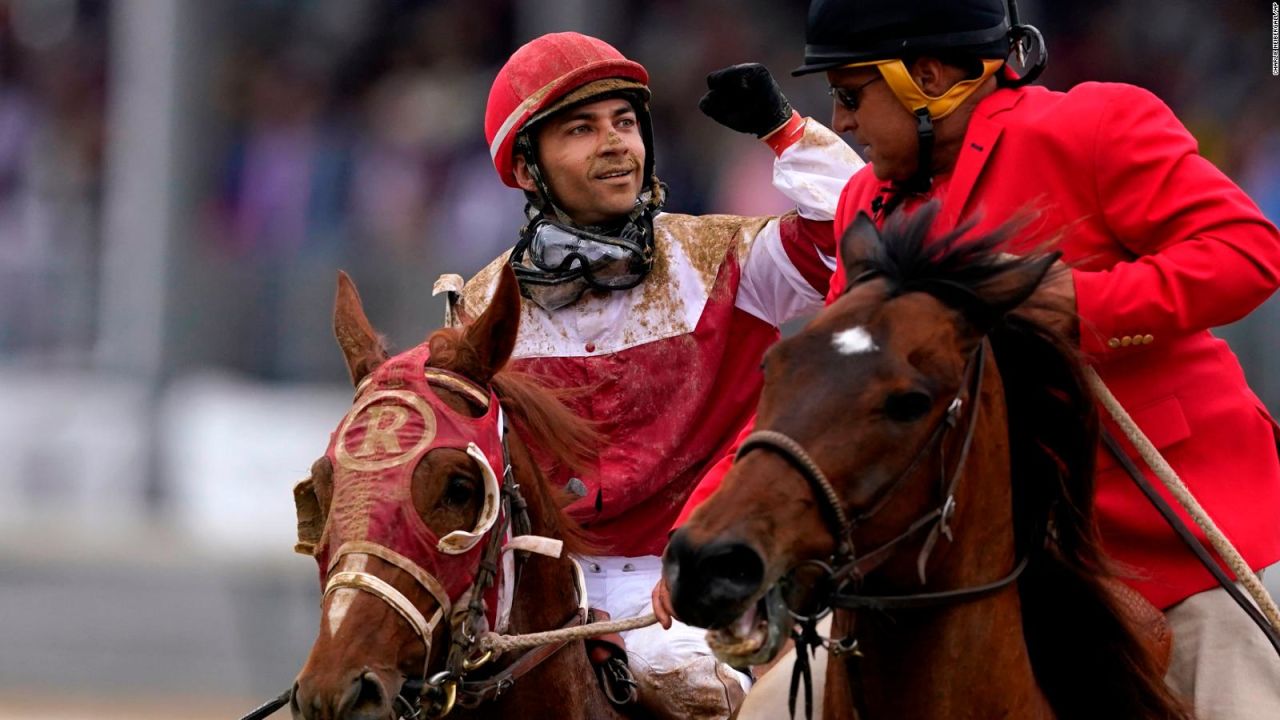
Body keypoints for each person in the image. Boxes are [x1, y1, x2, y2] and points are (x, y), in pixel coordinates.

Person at [661, 1, 1280, 718]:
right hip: (978, 571)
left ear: (926, 76)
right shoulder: (867, 201)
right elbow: (831, 385)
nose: (846, 121)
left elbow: (1249, 254)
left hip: (1177, 536)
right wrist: (707, 512)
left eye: (851, 95)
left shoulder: (1095, 124)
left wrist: (1085, 304)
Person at [448, 31, 861, 719]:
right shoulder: (482, 310)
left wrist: (785, 130)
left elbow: (858, 226)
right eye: (582, 128)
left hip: (710, 592)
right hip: (542, 604)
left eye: (625, 122)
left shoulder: (722, 256)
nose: (616, 144)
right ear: (526, 169)